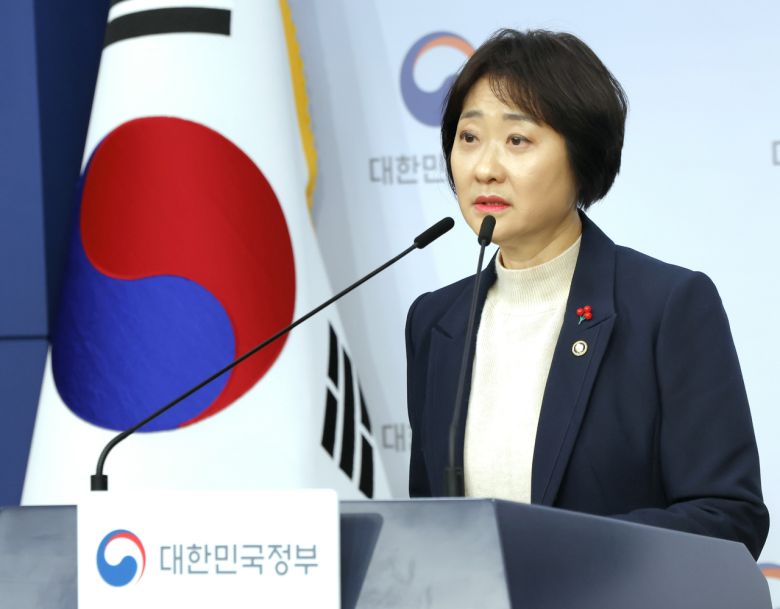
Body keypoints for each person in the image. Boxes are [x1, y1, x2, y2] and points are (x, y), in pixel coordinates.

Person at [405, 29, 769, 560]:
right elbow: (428, 520)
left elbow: (728, 516)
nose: (485, 168)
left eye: (517, 140)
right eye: (469, 137)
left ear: (581, 154)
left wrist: (564, 555)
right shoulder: (436, 321)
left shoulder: (667, 307)